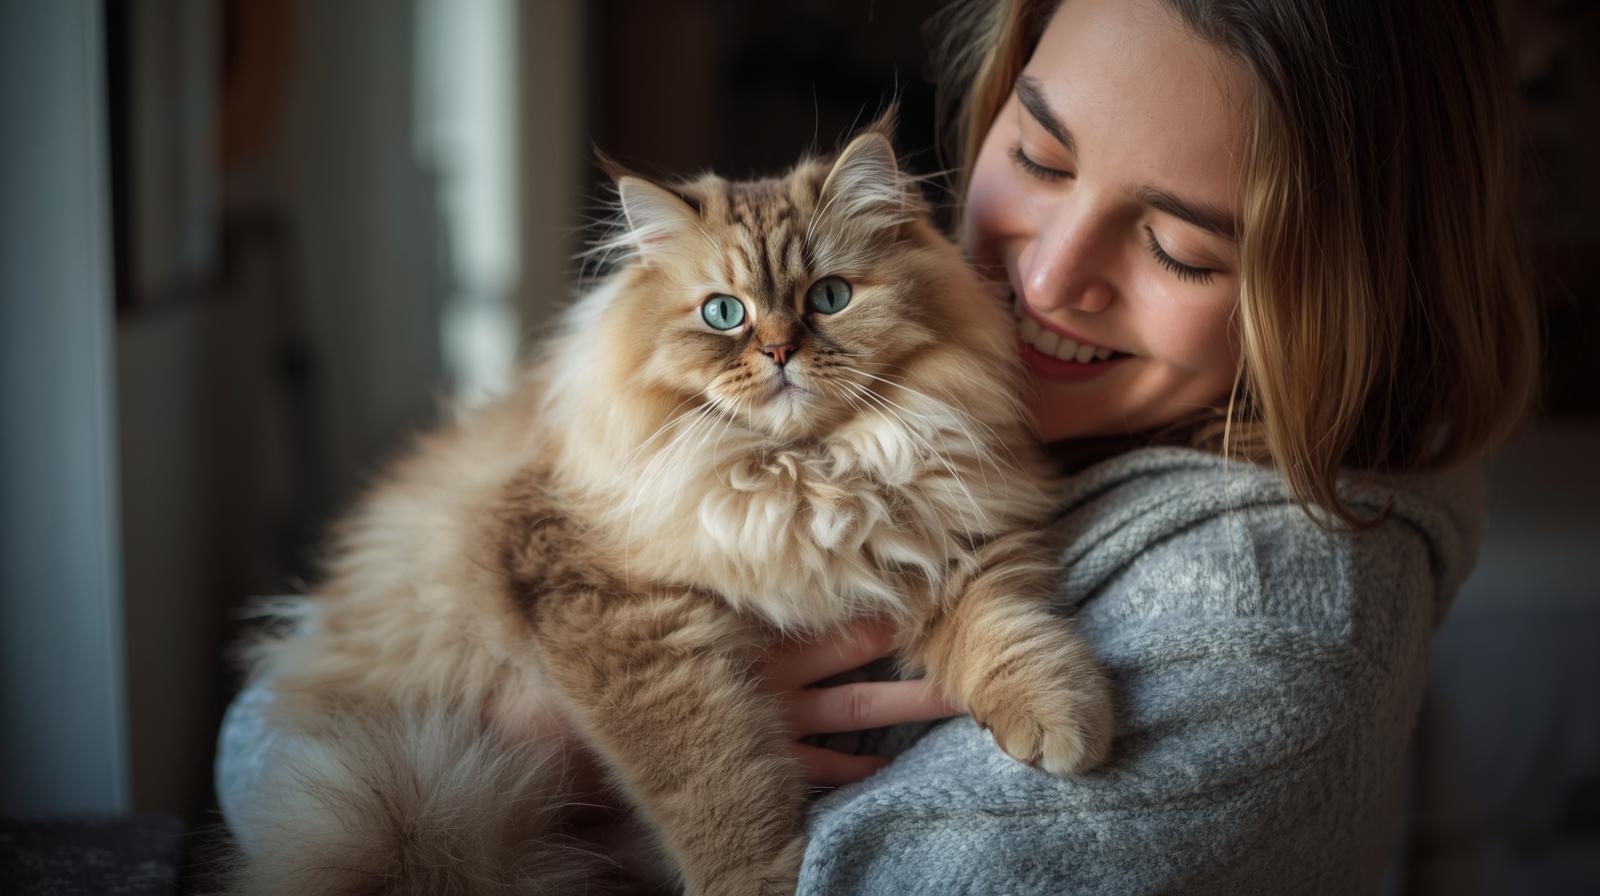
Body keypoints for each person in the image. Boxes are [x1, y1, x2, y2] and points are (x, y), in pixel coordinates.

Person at [216, 0, 1538, 891]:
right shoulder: (1005, 394)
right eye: (1040, 154)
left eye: (1178, 245)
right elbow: (267, 743)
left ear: (1350, 290)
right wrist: (542, 739)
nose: (1044, 280)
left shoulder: (1258, 608)